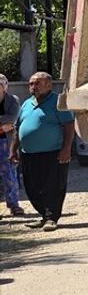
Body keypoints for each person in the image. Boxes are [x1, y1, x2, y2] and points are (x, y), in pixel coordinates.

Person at [8, 71, 76, 231]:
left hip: (52, 153)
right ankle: (43, 216)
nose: (33, 87)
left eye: (37, 83)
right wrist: (13, 150)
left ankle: (52, 218)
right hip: (29, 154)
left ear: (49, 85)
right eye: (31, 84)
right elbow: (18, 129)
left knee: (52, 186)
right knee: (32, 186)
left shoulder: (59, 102)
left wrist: (66, 149)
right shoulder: (26, 104)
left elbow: (69, 126)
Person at [0, 75, 26, 217]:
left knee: (10, 174)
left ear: (4, 87)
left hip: (7, 143)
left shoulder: (12, 100)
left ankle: (14, 205)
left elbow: (12, 118)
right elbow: (6, 122)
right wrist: (2, 126)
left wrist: (7, 124)